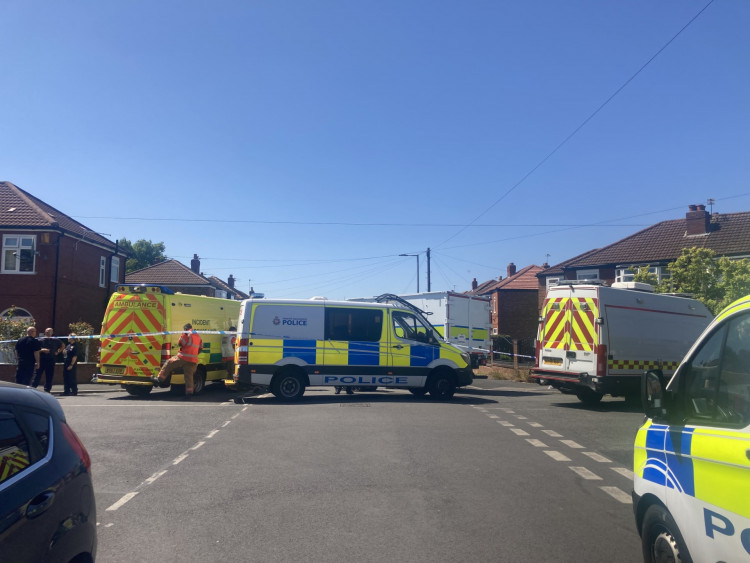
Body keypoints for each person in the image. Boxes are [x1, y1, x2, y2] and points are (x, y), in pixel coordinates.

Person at [153, 323, 202, 400]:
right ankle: (189, 394)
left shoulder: (186, 333)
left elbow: (181, 343)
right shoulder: (198, 335)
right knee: (189, 377)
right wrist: (194, 354)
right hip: (193, 360)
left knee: (169, 363)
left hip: (183, 357)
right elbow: (201, 348)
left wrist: (183, 336)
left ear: (185, 328)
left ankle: (159, 380)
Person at [32, 328, 63, 392]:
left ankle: (47, 390)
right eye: (47, 331)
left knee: (49, 375)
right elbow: (35, 349)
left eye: (50, 331)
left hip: (51, 360)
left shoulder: (56, 340)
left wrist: (57, 352)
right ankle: (33, 388)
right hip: (41, 360)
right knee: (37, 375)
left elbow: (63, 346)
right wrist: (42, 350)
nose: (48, 332)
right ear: (45, 332)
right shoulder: (39, 340)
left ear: (52, 332)